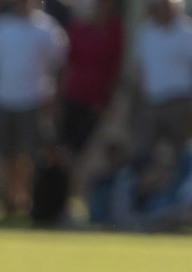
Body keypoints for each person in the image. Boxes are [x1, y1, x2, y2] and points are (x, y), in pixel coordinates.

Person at [0, 0, 67, 219]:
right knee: (6, 152)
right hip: (3, 98)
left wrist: (54, 94)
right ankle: (9, 198)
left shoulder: (48, 28)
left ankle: (26, 198)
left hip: (33, 99)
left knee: (29, 153)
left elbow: (60, 63)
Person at [131, 0, 192, 165]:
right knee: (144, 154)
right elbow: (141, 67)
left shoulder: (191, 31)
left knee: (180, 154)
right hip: (152, 103)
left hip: (181, 103)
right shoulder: (145, 31)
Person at [60, 0, 123, 161]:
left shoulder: (116, 31)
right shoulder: (79, 30)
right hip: (74, 95)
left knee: (87, 148)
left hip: (97, 101)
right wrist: (60, 93)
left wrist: (108, 99)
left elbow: (116, 66)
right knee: (67, 145)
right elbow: (69, 64)